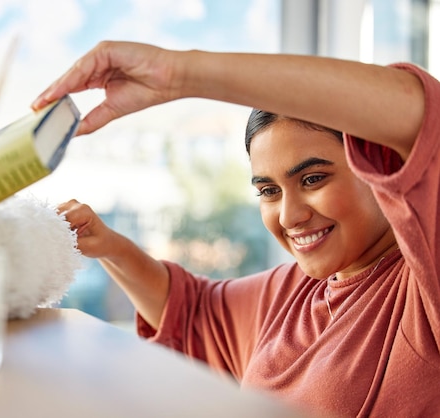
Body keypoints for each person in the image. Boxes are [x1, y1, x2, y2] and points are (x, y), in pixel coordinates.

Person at [32, 41, 440, 417]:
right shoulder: (293, 292)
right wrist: (110, 246)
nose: (288, 216)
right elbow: (192, 312)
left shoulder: (423, 290)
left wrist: (180, 74)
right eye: (269, 190)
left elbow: (424, 117)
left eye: (313, 179)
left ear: (377, 165)